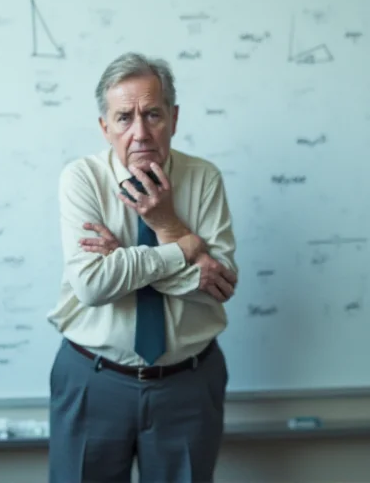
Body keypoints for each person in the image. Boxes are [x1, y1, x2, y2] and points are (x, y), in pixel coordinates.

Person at [47, 51, 239, 482]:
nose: (140, 133)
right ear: (104, 126)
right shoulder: (81, 179)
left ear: (173, 117)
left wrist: (161, 227)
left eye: (152, 114)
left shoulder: (204, 178)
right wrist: (185, 247)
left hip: (187, 384)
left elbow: (220, 283)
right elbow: (93, 286)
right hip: (92, 380)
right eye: (123, 118)